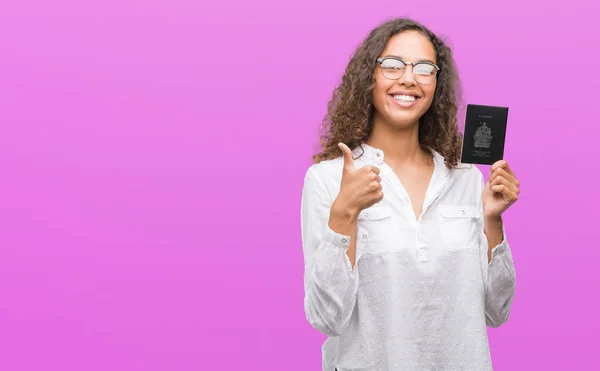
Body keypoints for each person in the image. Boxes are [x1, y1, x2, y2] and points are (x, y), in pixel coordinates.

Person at [300, 17, 519, 371]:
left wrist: (493, 221)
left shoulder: (466, 179)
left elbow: (497, 311)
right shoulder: (327, 180)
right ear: (368, 77)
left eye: (423, 68)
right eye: (392, 65)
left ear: (437, 84)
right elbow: (328, 319)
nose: (408, 78)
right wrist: (344, 214)